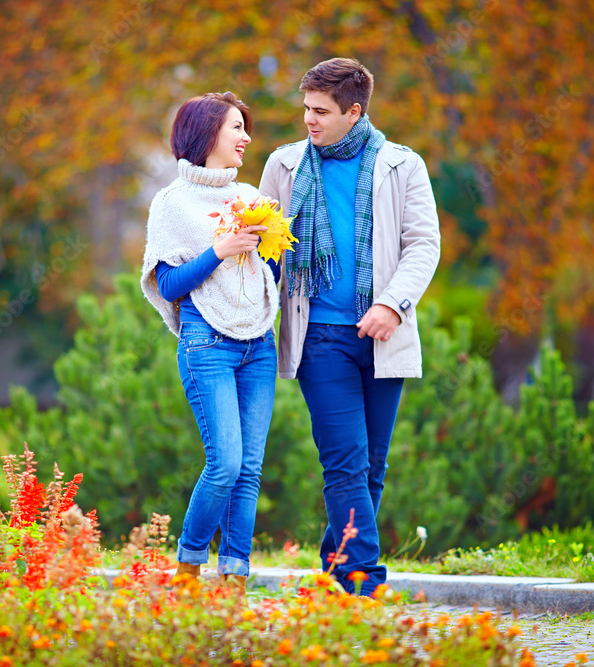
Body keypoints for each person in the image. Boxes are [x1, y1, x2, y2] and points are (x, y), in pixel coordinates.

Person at [259, 58, 441, 596]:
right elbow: (267, 246)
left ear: (353, 111)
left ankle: (336, 573)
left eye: (321, 111)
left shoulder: (402, 166)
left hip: (382, 333)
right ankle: (364, 583)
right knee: (345, 461)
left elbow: (423, 245)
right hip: (319, 337)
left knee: (371, 467)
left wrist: (391, 304)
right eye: (306, 109)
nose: (309, 121)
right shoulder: (284, 166)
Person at [140, 91, 281, 598]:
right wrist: (220, 249)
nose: (245, 137)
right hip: (207, 344)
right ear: (206, 134)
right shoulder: (171, 203)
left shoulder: (250, 198)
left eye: (246, 128)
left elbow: (268, 274)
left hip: (257, 343)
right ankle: (189, 566)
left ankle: (235, 579)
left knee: (248, 469)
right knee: (224, 462)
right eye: (235, 128)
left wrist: (270, 249)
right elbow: (170, 287)